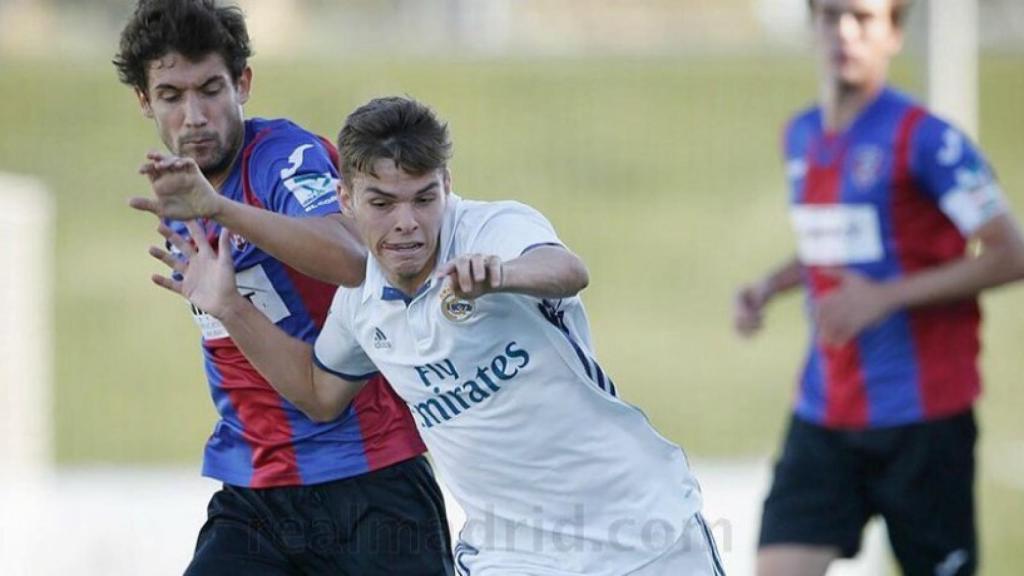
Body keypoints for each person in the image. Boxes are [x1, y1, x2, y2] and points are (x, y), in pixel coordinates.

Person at [147, 95, 725, 575]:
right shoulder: (361, 306)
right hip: (513, 556)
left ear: (447, 185)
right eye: (382, 202)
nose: (407, 222)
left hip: (643, 529)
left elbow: (568, 268)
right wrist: (229, 306)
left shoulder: (490, 228)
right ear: (346, 199)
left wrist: (502, 276)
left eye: (425, 198)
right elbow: (319, 394)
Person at [115, 1, 453, 574]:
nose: (194, 115)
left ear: (243, 84)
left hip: (367, 481)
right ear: (145, 101)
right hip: (256, 492)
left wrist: (220, 210)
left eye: (211, 89)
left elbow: (354, 259)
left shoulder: (281, 157)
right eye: (172, 95)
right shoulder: (179, 194)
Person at [732, 1, 1024, 575]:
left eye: (863, 18)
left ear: (892, 34)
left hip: (922, 422)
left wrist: (884, 298)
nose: (844, 31)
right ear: (813, 25)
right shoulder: (801, 135)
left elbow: (1010, 254)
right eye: (831, 15)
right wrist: (770, 285)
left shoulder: (929, 140)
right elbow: (842, 246)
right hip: (824, 413)